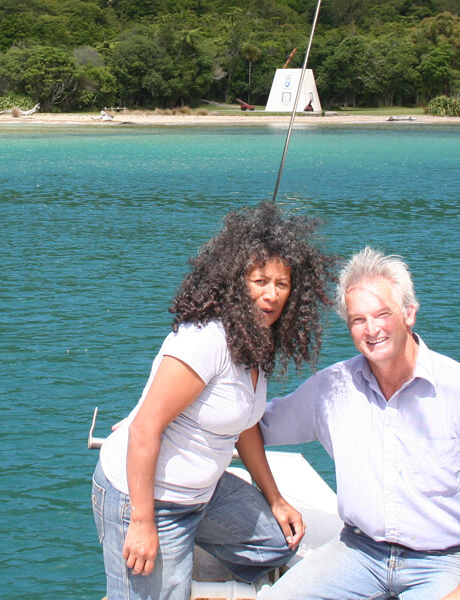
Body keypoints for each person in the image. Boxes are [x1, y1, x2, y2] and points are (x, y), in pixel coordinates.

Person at [92, 202, 336, 600]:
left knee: (278, 541)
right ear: (236, 280)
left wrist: (275, 498)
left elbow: (245, 425)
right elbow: (145, 428)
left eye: (282, 284)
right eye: (260, 281)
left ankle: (184, 555)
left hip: (202, 496)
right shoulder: (205, 340)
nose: (271, 296)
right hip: (149, 498)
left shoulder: (255, 340)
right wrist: (142, 522)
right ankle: (166, 558)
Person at [260, 247, 460, 600]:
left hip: (440, 562)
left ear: (409, 313)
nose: (372, 330)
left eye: (382, 314)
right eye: (358, 320)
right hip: (359, 552)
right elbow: (258, 424)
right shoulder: (332, 388)